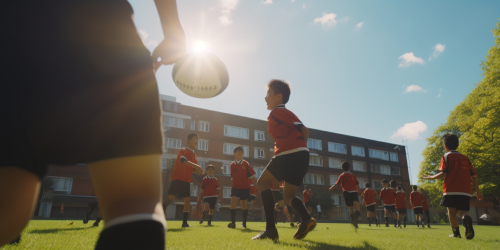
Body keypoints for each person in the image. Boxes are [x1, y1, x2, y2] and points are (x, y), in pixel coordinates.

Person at [0, 0, 187, 248]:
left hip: (13, 29)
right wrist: (172, 30)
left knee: (9, 213)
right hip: (103, 29)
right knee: (132, 203)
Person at [252, 80, 315, 240]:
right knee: (288, 197)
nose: (265, 98)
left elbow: (304, 129)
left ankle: (270, 230)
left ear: (278, 96)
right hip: (301, 156)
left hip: (289, 153)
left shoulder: (277, 112)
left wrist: (295, 151)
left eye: (268, 94)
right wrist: (302, 151)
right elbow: (302, 132)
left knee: (262, 183)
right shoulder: (283, 113)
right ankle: (306, 219)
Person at [424, 133, 483, 239]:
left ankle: (456, 234)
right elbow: (474, 175)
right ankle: (466, 219)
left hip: (450, 190)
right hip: (465, 190)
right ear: (457, 144)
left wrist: (431, 177)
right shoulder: (465, 158)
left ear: (445, 146)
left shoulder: (446, 157)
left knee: (451, 211)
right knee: (463, 212)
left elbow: (444, 173)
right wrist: (478, 191)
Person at [164, 133, 204, 228]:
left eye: (197, 139)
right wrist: (197, 166)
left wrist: (197, 171)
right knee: (171, 199)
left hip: (186, 180)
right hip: (177, 177)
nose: (196, 141)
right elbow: (183, 161)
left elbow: (193, 168)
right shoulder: (183, 150)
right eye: (194, 138)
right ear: (188, 140)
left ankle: (184, 223)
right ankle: (162, 208)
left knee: (187, 200)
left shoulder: (194, 155)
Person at [228, 146, 256, 229]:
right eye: (237, 151)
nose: (239, 152)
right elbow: (232, 177)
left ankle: (244, 224)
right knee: (233, 203)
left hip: (244, 187)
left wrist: (254, 186)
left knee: (244, 205)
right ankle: (233, 223)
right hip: (235, 187)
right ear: (234, 153)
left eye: (241, 151)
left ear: (243, 154)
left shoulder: (246, 164)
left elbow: (253, 176)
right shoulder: (232, 164)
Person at [329, 162, 361, 228]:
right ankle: (357, 217)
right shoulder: (352, 175)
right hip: (353, 192)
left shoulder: (342, 175)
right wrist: (358, 190)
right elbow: (357, 183)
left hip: (346, 192)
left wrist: (331, 188)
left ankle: (353, 220)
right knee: (357, 206)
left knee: (350, 207)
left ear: (342, 168)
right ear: (349, 167)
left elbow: (336, 183)